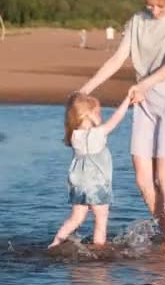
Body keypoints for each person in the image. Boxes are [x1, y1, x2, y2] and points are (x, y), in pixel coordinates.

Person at [79, 0, 165, 243]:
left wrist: (144, 85)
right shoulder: (136, 21)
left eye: (160, 6)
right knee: (143, 180)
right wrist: (86, 89)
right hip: (143, 102)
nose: (154, 11)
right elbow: (117, 59)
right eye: (150, 5)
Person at [49, 92, 131, 248]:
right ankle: (99, 249)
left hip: (77, 183)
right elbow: (117, 118)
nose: (101, 116)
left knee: (76, 218)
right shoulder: (98, 133)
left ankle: (55, 243)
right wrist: (127, 100)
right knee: (101, 220)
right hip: (96, 183)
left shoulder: (74, 135)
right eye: (98, 113)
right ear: (89, 115)